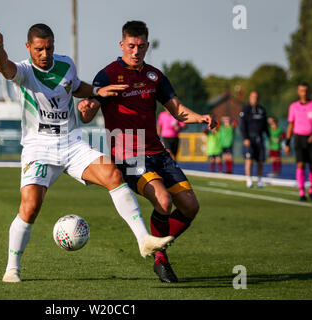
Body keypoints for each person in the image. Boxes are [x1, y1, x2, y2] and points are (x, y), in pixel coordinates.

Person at [0, 24, 175, 283]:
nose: (45, 54)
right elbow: (3, 67)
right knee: (30, 208)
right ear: (28, 48)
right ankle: (12, 269)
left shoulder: (66, 64)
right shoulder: (24, 72)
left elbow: (75, 87)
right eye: (39, 49)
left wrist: (97, 93)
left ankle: (144, 240)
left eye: (49, 48)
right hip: (39, 148)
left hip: (71, 143)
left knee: (113, 175)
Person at [80, 21, 216, 283]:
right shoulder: (107, 74)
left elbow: (177, 110)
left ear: (147, 45)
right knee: (163, 201)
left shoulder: (154, 76)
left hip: (157, 151)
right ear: (122, 45)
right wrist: (87, 109)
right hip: (127, 154)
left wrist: (201, 117)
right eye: (131, 45)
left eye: (141, 46)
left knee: (190, 206)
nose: (136, 51)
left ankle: (158, 245)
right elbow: (92, 107)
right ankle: (161, 259)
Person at [284, 82, 312, 201]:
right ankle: (302, 191)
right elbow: (291, 125)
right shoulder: (293, 107)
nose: (304, 93)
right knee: (300, 164)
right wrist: (287, 143)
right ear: (298, 92)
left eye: (306, 90)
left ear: (309, 92)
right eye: (301, 91)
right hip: (299, 138)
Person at [239, 91, 270, 188]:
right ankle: (249, 180)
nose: (254, 99)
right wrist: (246, 138)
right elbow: (242, 125)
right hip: (249, 138)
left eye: (256, 97)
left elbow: (265, 125)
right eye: (253, 97)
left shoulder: (262, 110)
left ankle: (259, 180)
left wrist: (269, 137)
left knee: (260, 160)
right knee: (249, 159)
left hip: (259, 138)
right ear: (250, 98)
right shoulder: (245, 109)